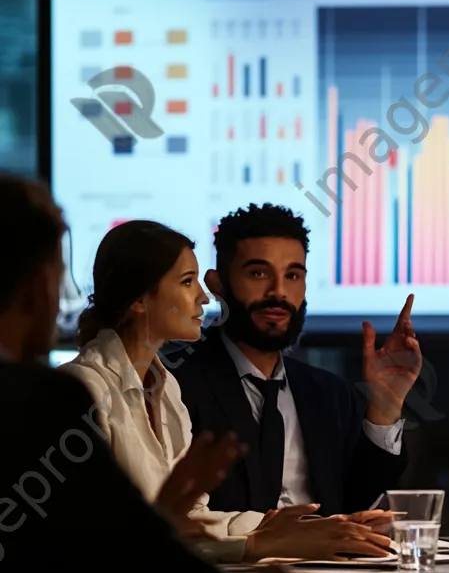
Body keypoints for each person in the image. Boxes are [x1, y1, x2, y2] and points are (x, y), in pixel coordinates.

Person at [0, 175, 325, 573]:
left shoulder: (163, 387)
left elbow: (127, 534)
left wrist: (251, 527)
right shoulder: (49, 403)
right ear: (36, 287)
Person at [61, 219, 391, 563]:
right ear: (140, 299)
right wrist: (255, 545)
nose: (203, 296)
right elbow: (103, 536)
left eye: (294, 275)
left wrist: (312, 527)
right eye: (187, 282)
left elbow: (192, 517)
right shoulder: (81, 389)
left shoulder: (165, 389)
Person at [171, 203, 419, 521]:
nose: (278, 292)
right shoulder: (176, 382)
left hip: (331, 566)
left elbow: (357, 505)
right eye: (258, 273)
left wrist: (384, 409)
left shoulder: (329, 394)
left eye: (292, 275)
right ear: (217, 284)